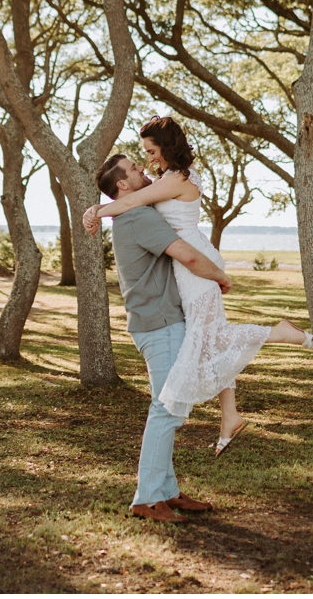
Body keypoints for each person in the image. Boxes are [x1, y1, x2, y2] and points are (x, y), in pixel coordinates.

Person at [85, 116, 313, 457]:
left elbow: (130, 202)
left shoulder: (176, 178)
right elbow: (131, 202)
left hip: (194, 262)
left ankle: (282, 333)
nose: (147, 159)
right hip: (189, 262)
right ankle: (230, 416)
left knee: (211, 338)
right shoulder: (169, 177)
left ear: (165, 147)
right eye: (142, 156)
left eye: (150, 151)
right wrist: (97, 208)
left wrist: (94, 211)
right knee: (209, 339)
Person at [95, 153, 228, 522]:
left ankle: (166, 491)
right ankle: (148, 498)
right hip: (160, 324)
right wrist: (221, 276)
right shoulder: (137, 216)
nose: (144, 170)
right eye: (135, 169)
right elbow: (185, 255)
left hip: (159, 321)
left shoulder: (133, 211)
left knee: (170, 406)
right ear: (123, 185)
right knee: (167, 409)